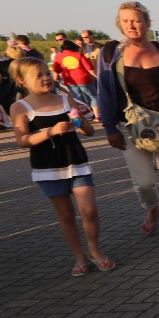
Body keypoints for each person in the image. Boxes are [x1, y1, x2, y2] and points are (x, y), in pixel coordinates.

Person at [9, 57, 114, 276]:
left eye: (47, 73)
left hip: (76, 161)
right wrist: (50, 132)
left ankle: (94, 250)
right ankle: (79, 256)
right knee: (66, 215)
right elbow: (22, 140)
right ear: (21, 80)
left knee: (89, 211)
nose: (46, 78)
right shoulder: (20, 107)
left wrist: (79, 122)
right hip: (48, 167)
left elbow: (89, 131)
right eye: (39, 75)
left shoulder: (66, 99)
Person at [96, 1, 159, 242]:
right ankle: (153, 208)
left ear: (147, 22)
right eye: (125, 21)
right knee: (144, 183)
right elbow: (104, 92)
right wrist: (109, 127)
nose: (131, 25)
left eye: (136, 20)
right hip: (130, 127)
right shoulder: (110, 54)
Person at [52, 39, 98, 111]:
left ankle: (84, 113)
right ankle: (96, 114)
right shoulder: (78, 54)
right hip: (84, 79)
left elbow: (56, 70)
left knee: (78, 98)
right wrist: (96, 76)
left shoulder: (58, 56)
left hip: (70, 81)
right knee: (93, 97)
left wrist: (55, 80)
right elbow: (89, 68)